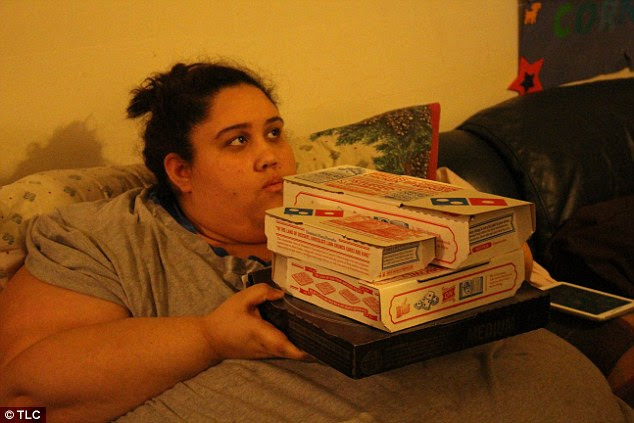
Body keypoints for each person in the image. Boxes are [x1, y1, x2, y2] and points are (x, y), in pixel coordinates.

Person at [0, 61, 631, 423]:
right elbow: (19, 405)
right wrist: (210, 337)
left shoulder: (347, 206)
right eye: (238, 141)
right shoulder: (101, 236)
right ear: (180, 171)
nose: (272, 156)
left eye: (275, 132)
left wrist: (487, 263)